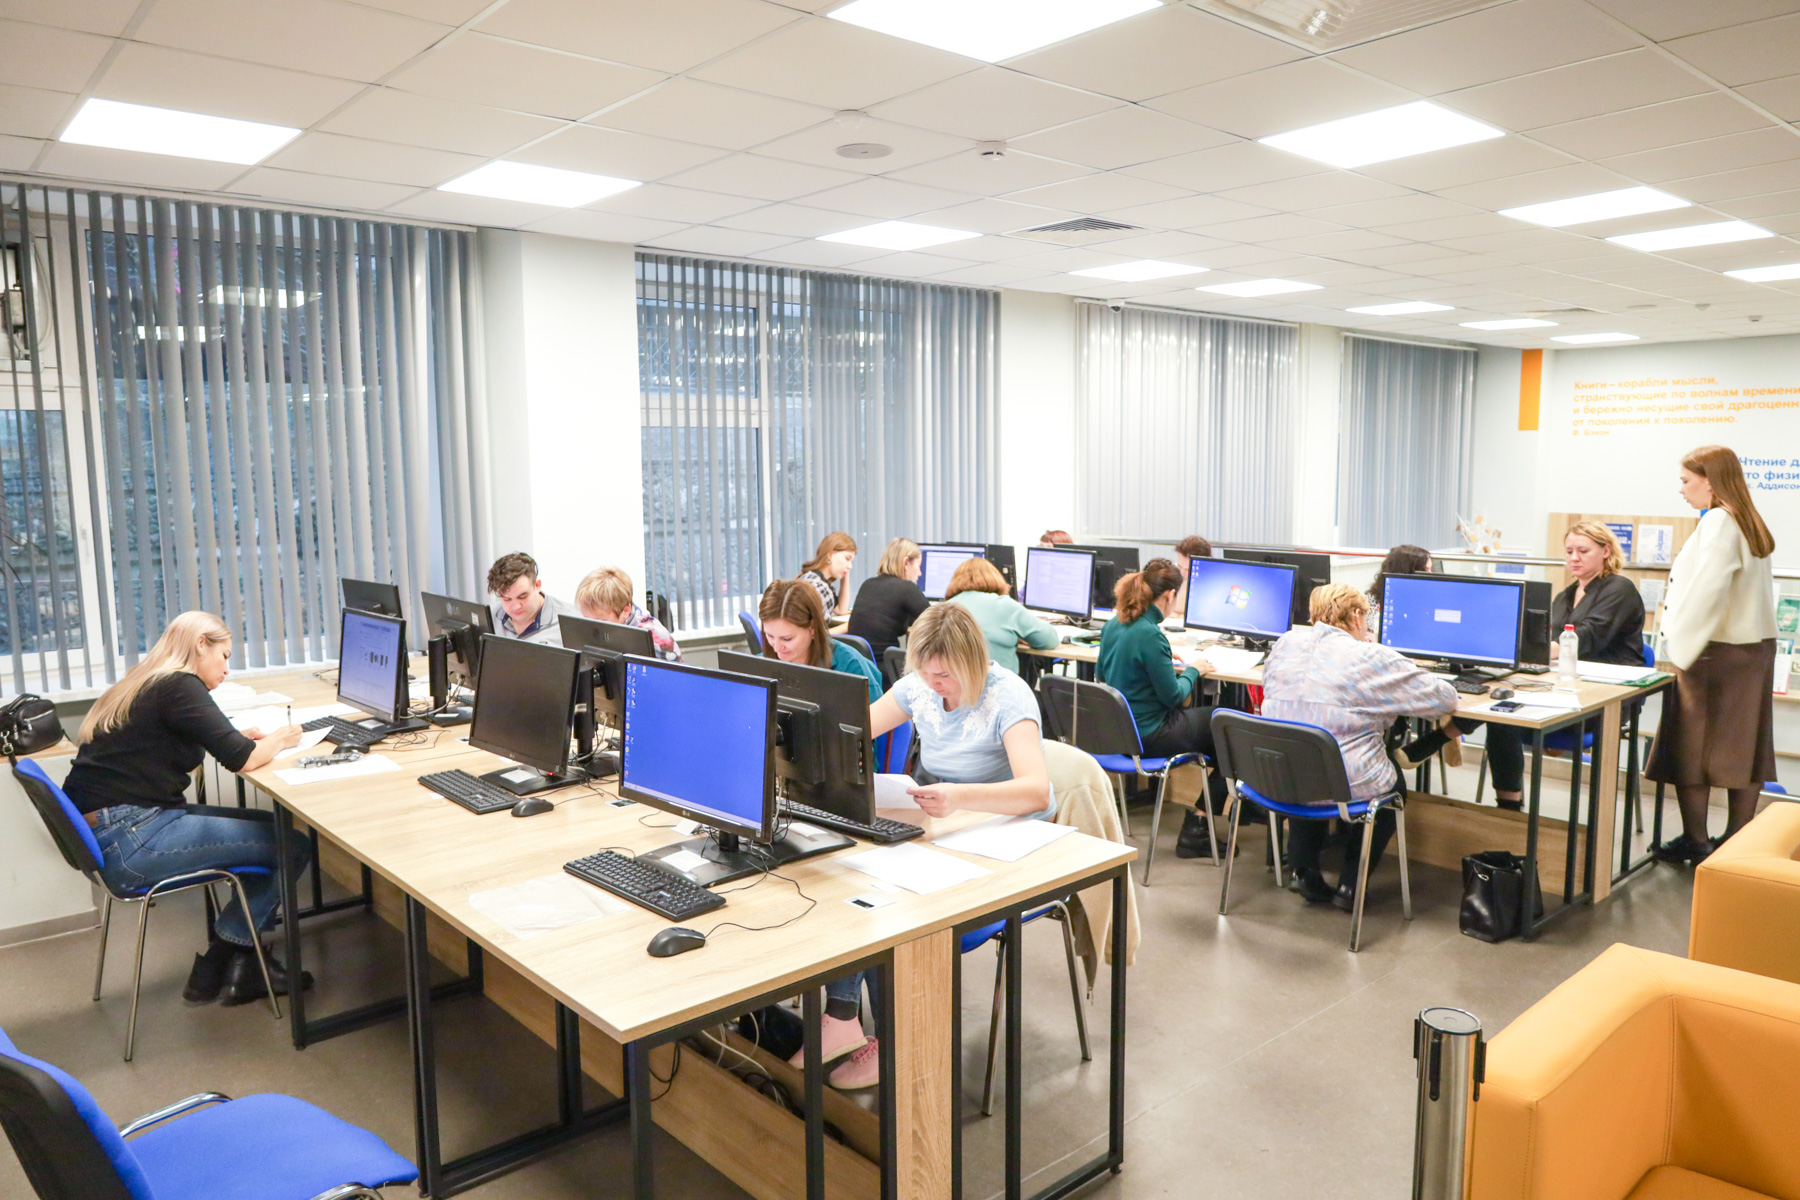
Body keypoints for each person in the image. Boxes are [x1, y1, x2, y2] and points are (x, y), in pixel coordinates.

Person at [790, 603, 1054, 1092]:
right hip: (948, 829)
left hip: (1007, 836)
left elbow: (1037, 791)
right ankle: (843, 1016)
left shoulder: (1009, 696)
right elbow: (854, 729)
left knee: (892, 907)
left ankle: (897, 1044)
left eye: (945, 676)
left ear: (972, 662)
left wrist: (959, 796)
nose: (935, 685)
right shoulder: (922, 686)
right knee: (853, 888)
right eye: (927, 674)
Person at [61, 612, 312, 1006]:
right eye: (224, 656)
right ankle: (223, 960)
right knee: (292, 846)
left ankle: (232, 962)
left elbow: (172, 738)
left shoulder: (146, 680)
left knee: (272, 829)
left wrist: (232, 736)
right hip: (134, 840)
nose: (226, 669)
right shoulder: (180, 685)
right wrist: (280, 739)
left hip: (112, 833)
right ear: (200, 646)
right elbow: (244, 759)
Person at [1260, 585, 1459, 907]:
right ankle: (1351, 886)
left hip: (1281, 778)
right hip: (1344, 782)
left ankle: (1303, 871)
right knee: (1392, 787)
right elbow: (1444, 699)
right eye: (1366, 619)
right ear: (1356, 616)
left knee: (1303, 758)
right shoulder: (1369, 656)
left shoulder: (1284, 644)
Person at [1647, 445, 1778, 863]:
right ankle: (1737, 841)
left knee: (1690, 748)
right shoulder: (1748, 519)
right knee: (1748, 747)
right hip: (1753, 652)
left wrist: (1680, 648)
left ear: (1710, 480)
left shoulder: (1719, 520)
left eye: (1686, 480)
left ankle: (1696, 841)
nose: (1681, 489)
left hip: (1715, 653)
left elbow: (1708, 589)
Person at [1095, 558, 1229, 855]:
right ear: (1169, 595)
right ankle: (1198, 825)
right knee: (1227, 726)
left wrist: (1163, 663)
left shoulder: (1114, 624)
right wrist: (1193, 670)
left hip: (1120, 735)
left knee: (1217, 736)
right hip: (1150, 736)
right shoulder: (1151, 634)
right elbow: (1173, 697)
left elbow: (1102, 673)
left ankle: (1203, 822)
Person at [758, 579, 881, 703]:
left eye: (787, 639)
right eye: (770, 636)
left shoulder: (852, 669)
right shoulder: (758, 665)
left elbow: (876, 715)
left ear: (812, 628)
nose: (777, 648)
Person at [945, 556, 1057, 674]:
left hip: (952, 683)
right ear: (995, 579)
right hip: (996, 683)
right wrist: (1016, 634)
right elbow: (1049, 640)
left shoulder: (942, 609)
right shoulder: (1005, 605)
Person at [574, 566, 682, 662]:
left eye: (601, 621)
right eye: (588, 620)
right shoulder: (609, 622)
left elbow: (676, 677)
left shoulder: (656, 638)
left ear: (625, 611)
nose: (593, 627)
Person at [846, 538, 929, 662]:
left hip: (858, 666)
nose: (920, 573)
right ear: (906, 563)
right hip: (884, 667)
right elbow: (938, 623)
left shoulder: (868, 584)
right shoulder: (907, 588)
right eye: (918, 566)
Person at [488, 552, 571, 645]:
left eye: (522, 596)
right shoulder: (488, 616)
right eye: (507, 599)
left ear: (537, 585)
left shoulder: (570, 623)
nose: (516, 606)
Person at [798, 532, 857, 618]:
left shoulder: (815, 579)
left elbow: (841, 610)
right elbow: (818, 627)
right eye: (847, 558)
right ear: (830, 555)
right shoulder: (818, 586)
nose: (850, 566)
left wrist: (845, 575)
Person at [1170, 533, 1212, 614]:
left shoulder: (1214, 584)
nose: (1182, 573)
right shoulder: (1170, 574)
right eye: (1180, 566)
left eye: (1188, 569)